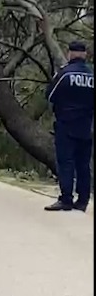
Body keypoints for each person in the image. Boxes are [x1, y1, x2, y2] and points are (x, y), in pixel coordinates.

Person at [44, 41, 94, 212]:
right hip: (86, 127)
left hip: (66, 125)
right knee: (83, 164)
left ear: (70, 53)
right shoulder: (92, 76)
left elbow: (50, 95)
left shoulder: (65, 74)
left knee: (66, 162)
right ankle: (83, 200)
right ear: (85, 55)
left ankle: (66, 199)